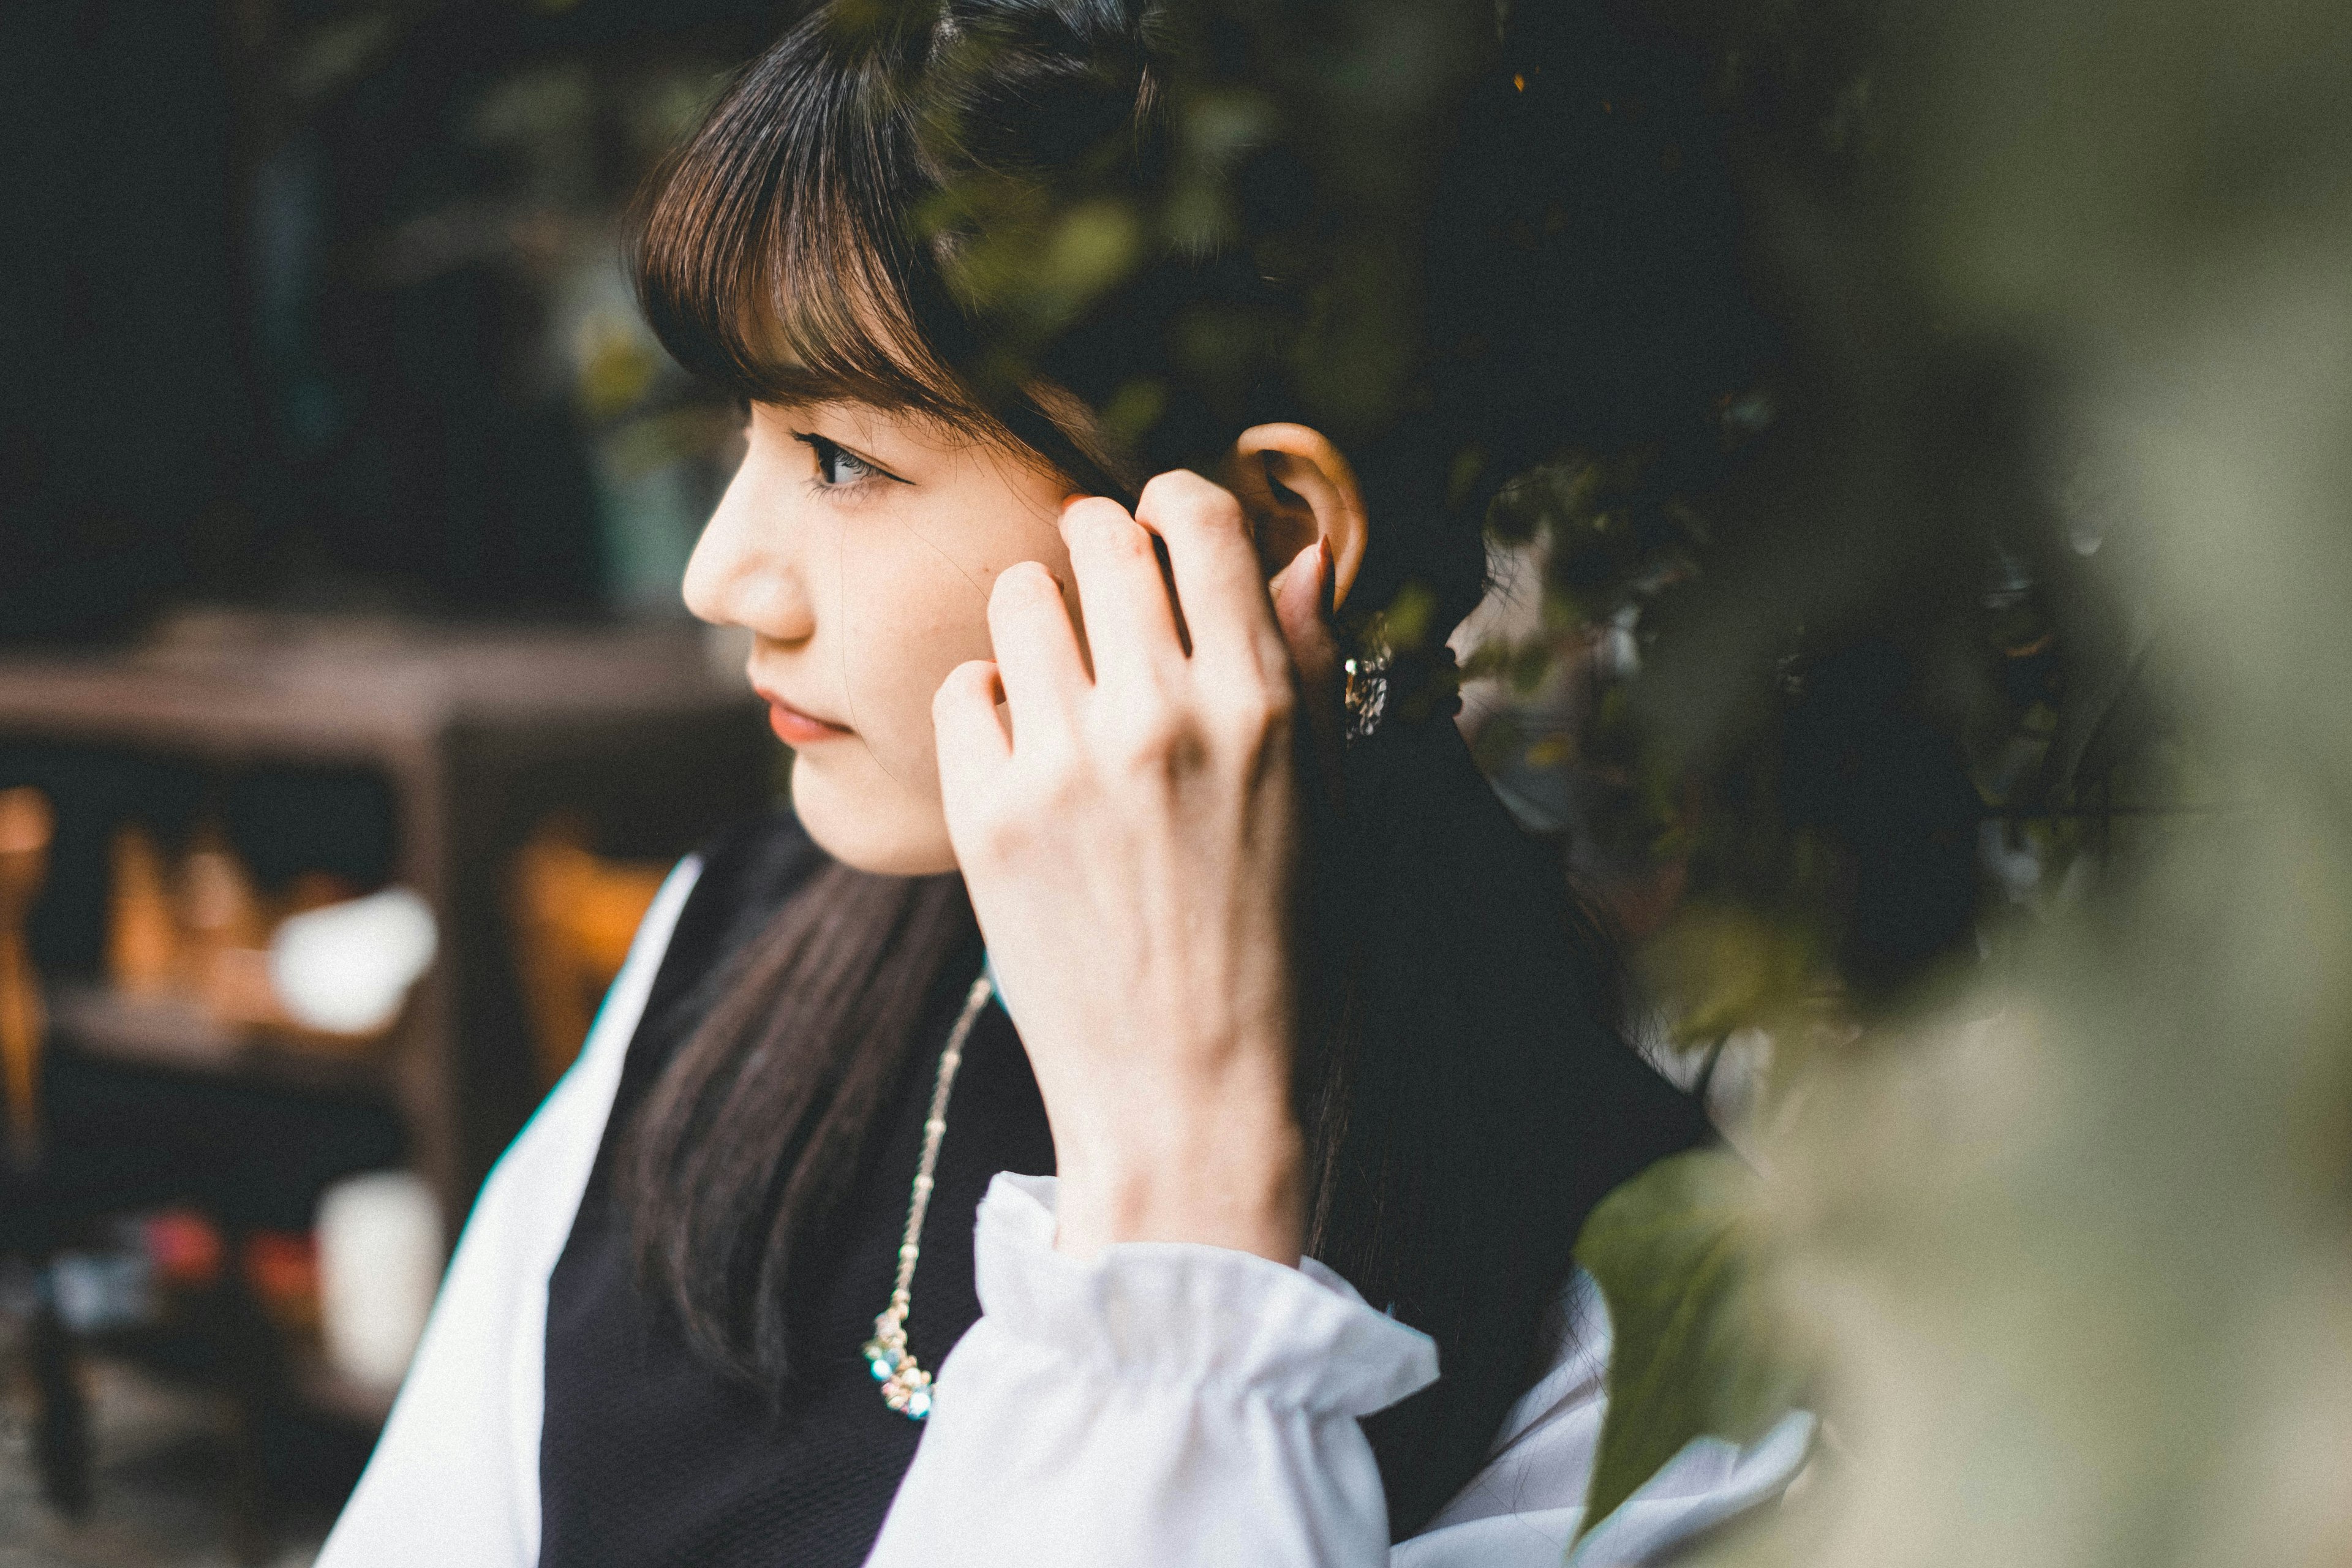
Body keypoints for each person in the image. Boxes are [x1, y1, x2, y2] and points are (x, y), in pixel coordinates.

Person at [317, 4, 1810, 1564]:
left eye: (841, 458)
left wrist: (1184, 1192)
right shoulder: (727, 949)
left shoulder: (1627, 1299)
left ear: (1270, 534)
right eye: (745, 437)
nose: (720, 574)